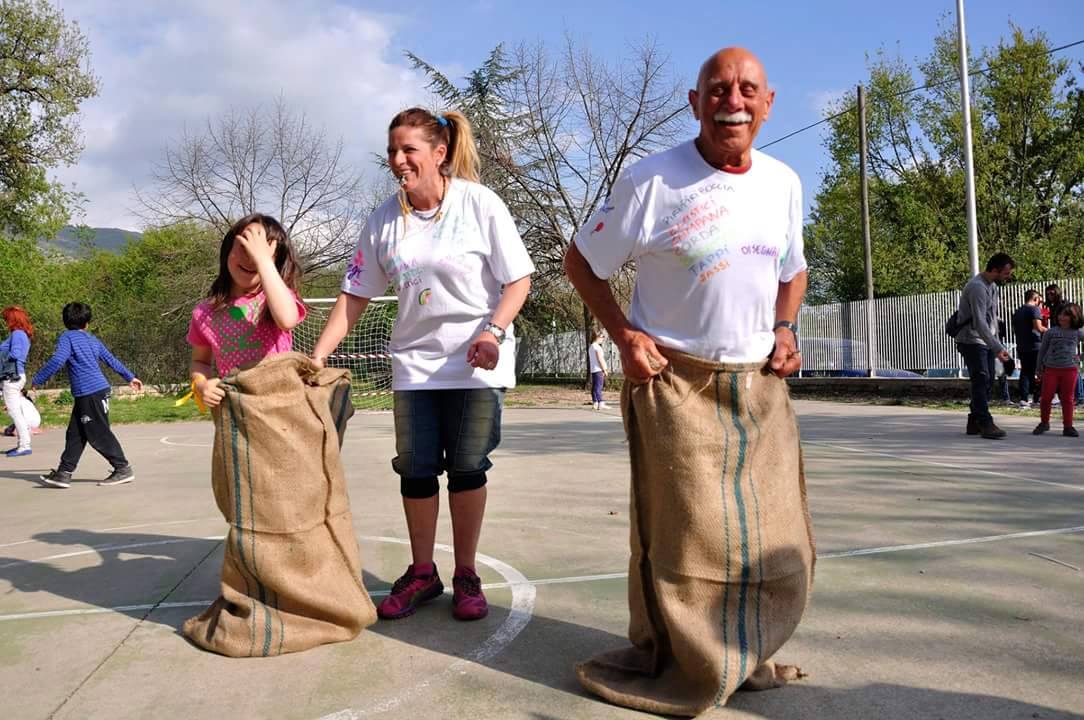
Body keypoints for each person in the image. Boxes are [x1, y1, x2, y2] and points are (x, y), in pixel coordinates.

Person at [564, 48, 814, 716]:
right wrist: (625, 335)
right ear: (695, 101)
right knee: (683, 537)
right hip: (673, 383)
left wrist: (785, 327)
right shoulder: (651, 181)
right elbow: (580, 261)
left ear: (768, 104)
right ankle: (680, 656)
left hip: (758, 383)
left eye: (747, 89)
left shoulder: (783, 183)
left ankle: (741, 650)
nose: (733, 101)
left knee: (766, 536)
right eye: (718, 89)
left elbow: (793, 268)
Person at [313, 108, 533, 623]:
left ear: (439, 153)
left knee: (467, 468)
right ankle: (422, 573)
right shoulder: (383, 220)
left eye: (408, 149)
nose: (398, 160)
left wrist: (493, 331)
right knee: (415, 469)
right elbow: (354, 295)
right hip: (414, 366)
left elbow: (518, 280)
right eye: (392, 150)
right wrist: (318, 355)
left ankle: (466, 574)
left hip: (476, 364)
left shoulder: (479, 204)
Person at [187, 213, 305, 406]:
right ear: (228, 250)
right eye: (244, 246)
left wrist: (263, 261)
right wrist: (201, 385)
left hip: (282, 405)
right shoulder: (205, 312)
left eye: (262, 250)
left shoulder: (276, 297)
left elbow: (287, 320)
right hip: (237, 408)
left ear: (275, 260)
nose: (251, 258)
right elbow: (200, 362)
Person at [34, 303, 143, 488]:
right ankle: (64, 473)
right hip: (94, 391)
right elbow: (110, 359)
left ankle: (122, 468)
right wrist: (130, 376)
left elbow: (58, 359)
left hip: (90, 393)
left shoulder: (67, 337)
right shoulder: (92, 339)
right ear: (87, 323)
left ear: (65, 321)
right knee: (75, 434)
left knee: (98, 433)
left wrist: (38, 378)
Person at [953, 253, 1014, 439]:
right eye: (1006, 273)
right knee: (981, 378)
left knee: (987, 381)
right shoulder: (977, 287)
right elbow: (980, 322)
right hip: (971, 340)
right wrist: (997, 348)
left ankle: (974, 421)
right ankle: (985, 422)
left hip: (986, 340)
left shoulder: (992, 287)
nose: (1008, 277)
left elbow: (992, 320)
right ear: (995, 270)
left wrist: (999, 345)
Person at [1033, 302, 1084, 437]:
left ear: (1074, 316)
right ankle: (1044, 422)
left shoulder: (1077, 332)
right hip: (1051, 369)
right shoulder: (1051, 332)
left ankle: (1068, 426)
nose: (1062, 317)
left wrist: (1080, 357)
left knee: (1067, 399)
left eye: (1066, 315)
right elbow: (1042, 351)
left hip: (1070, 370)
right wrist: (1038, 368)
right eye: (1060, 314)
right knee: (1046, 397)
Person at [1, 306, 34, 457]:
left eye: (6, 318)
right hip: (17, 375)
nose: (5, 321)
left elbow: (14, 354)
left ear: (13, 319)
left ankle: (24, 446)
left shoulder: (17, 334)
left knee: (14, 413)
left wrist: (2, 358)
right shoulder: (22, 334)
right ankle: (23, 444)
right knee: (17, 412)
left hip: (11, 377)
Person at [1011, 290, 1045, 408]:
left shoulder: (1018, 311)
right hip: (1035, 345)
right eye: (1039, 300)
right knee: (1039, 371)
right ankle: (1038, 397)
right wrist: (1051, 331)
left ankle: (1024, 398)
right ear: (1035, 299)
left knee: (1025, 372)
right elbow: (1038, 327)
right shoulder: (1034, 309)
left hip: (1022, 345)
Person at [588, 329, 609, 409]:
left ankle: (595, 402)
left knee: (594, 387)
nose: (603, 339)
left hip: (593, 370)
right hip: (599, 369)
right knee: (598, 387)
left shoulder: (591, 346)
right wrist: (604, 369)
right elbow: (600, 359)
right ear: (598, 337)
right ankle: (601, 402)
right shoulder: (597, 347)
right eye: (602, 337)